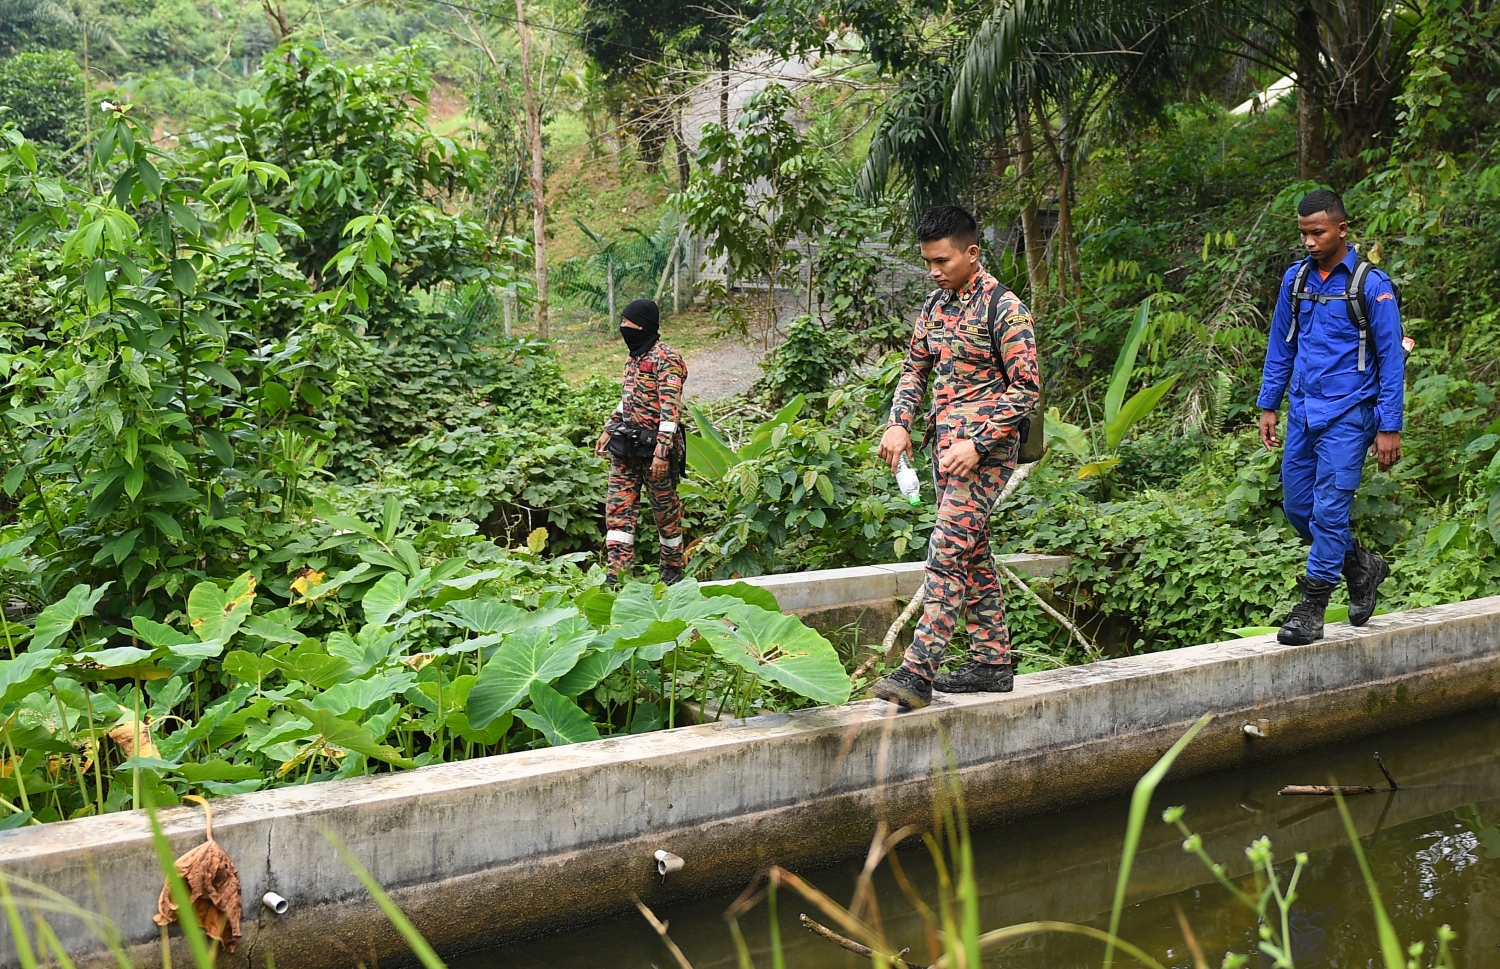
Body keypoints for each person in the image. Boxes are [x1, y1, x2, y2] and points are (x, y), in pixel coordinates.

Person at [870, 206, 1041, 710]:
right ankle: (992, 663)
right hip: (945, 451)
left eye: (942, 260)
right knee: (974, 552)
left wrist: (980, 441)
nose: (934, 270)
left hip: (983, 455)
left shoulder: (1006, 310)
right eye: (927, 262)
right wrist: (899, 422)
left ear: (972, 253)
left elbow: (1027, 389)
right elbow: (914, 371)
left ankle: (917, 671)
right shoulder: (935, 307)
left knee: (946, 552)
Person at [1257, 189, 1405, 646]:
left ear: (1342, 229)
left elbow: (1391, 359)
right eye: (1303, 233)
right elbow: (1282, 344)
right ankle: (1361, 566)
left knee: (1329, 508)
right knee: (1300, 508)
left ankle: (1313, 606)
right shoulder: (1296, 280)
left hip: (1349, 413)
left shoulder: (1371, 285)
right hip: (1302, 410)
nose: (1309, 241)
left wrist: (1388, 425)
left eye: (1317, 232)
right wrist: (1269, 403)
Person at [594, 299, 688, 587]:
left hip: (655, 452)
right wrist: (610, 427)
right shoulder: (633, 357)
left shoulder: (666, 357)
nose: (623, 327)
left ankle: (672, 572)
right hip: (627, 449)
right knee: (617, 512)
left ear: (642, 324)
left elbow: (670, 410)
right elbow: (629, 401)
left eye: (627, 322)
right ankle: (617, 578)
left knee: (666, 513)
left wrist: (662, 453)